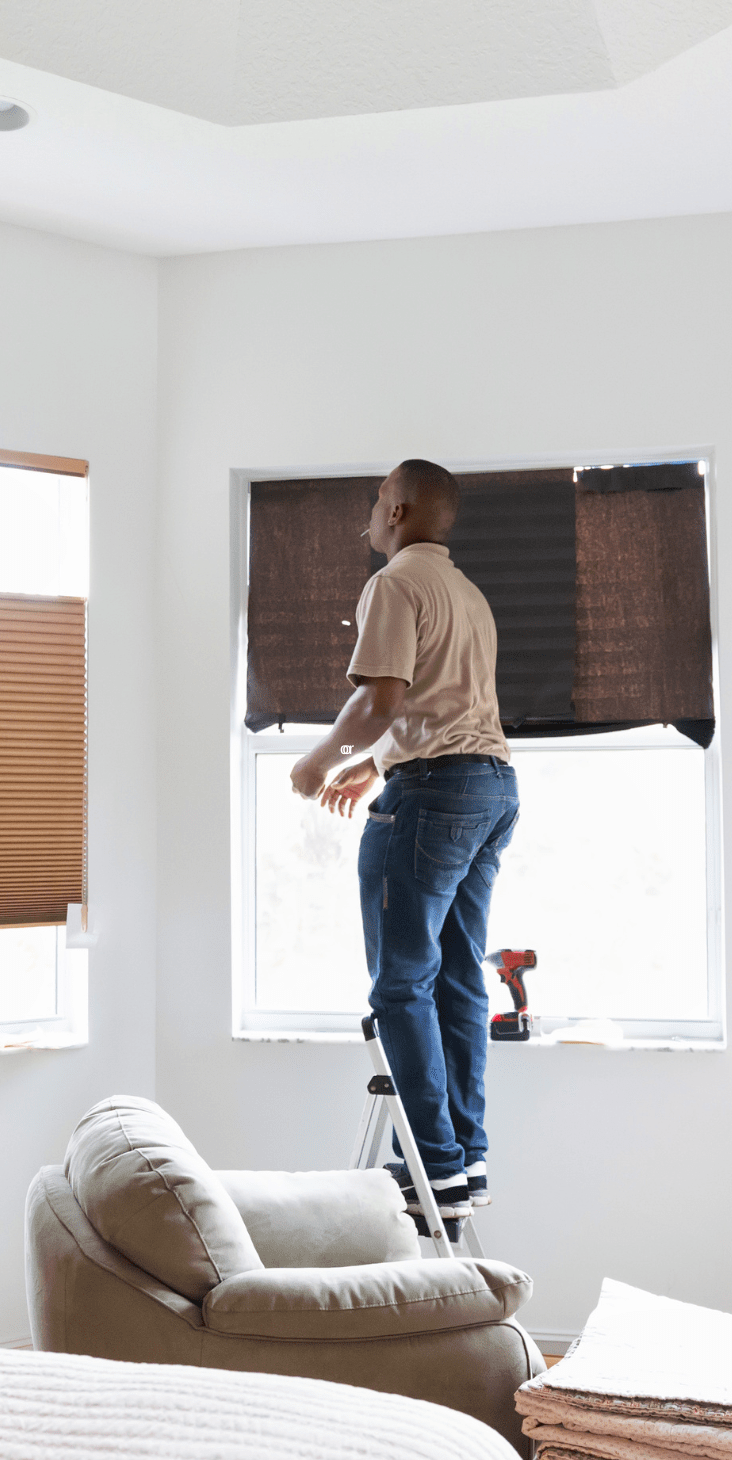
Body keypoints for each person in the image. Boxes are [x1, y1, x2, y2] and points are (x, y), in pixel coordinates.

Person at [289, 459, 519, 1229]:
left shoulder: (394, 584)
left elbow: (381, 696)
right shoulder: (469, 595)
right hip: (489, 790)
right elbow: (442, 710)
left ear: (401, 509)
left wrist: (317, 760)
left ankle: (433, 1166)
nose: (369, 518)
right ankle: (464, 1158)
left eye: (377, 503)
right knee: (459, 977)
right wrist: (372, 765)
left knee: (399, 986)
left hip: (431, 800)